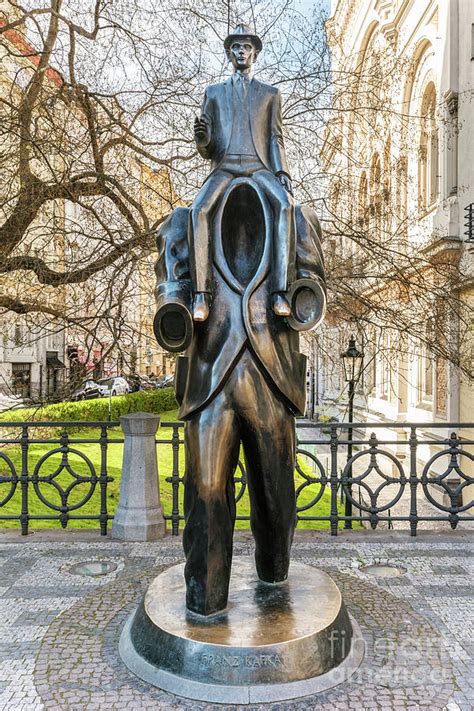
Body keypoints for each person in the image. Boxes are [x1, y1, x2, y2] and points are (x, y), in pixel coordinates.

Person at [190, 23, 296, 322]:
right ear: (229, 53)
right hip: (225, 167)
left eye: (246, 47)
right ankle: (201, 295)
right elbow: (208, 149)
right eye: (235, 47)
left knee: (285, 206)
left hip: (257, 166)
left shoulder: (270, 94)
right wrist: (202, 139)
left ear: (255, 53)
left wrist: (282, 172)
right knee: (198, 211)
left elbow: (276, 137)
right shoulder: (213, 93)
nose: (241, 51)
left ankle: (280, 293)